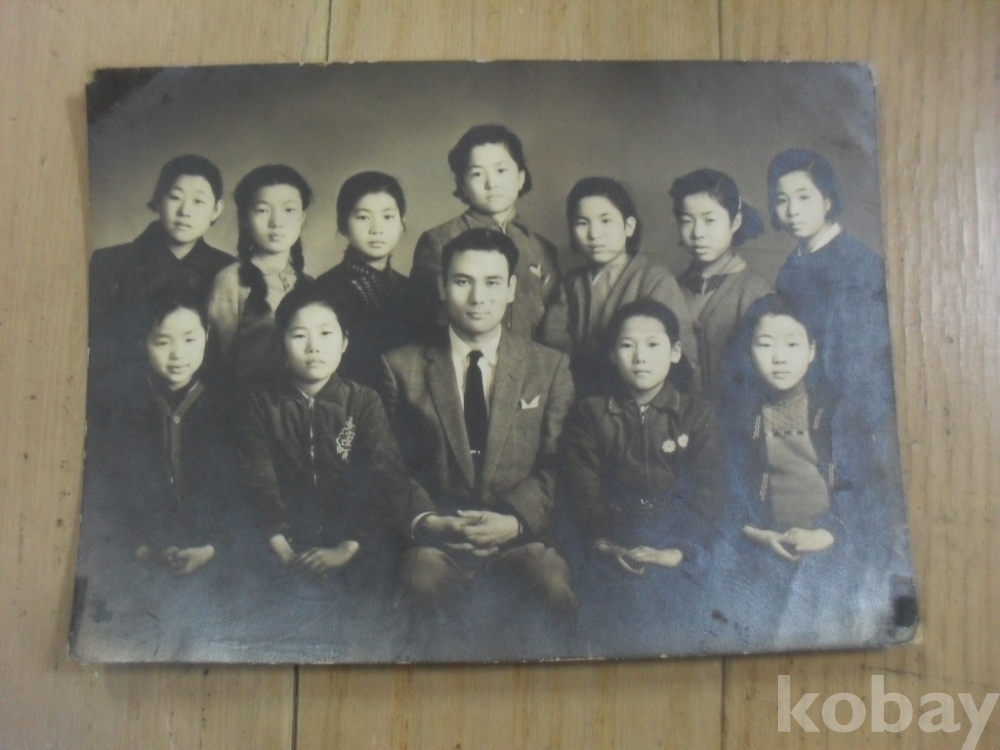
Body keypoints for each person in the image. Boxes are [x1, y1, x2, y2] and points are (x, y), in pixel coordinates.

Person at [378, 227, 578, 659]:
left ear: (511, 290)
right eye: (462, 281)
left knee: (549, 579)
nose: (477, 297)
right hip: (435, 540)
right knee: (416, 578)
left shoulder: (549, 367)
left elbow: (559, 462)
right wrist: (429, 522)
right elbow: (389, 467)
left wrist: (516, 520)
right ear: (441, 287)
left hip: (519, 538)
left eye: (492, 283)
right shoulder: (400, 367)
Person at [712, 294, 893, 649]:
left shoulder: (838, 412)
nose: (779, 358)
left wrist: (829, 534)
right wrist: (757, 533)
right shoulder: (736, 416)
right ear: (748, 352)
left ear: (812, 350)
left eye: (792, 344)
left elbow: (868, 493)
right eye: (765, 344)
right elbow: (724, 490)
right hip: (761, 541)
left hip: (832, 544)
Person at [558, 298, 727, 654]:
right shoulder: (590, 414)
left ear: (675, 352)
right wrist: (604, 545)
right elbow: (580, 494)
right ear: (611, 354)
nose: (640, 357)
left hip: (679, 546)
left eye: (653, 345)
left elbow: (710, 494)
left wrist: (678, 552)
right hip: (613, 545)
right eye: (627, 346)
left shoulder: (697, 414)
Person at [239, 282, 409, 585]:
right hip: (280, 553)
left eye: (326, 333)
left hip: (354, 553)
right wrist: (284, 551)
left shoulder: (364, 402)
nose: (313, 347)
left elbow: (386, 481)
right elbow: (257, 482)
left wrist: (347, 548)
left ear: (344, 342)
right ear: (281, 343)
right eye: (299, 335)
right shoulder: (261, 403)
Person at [88, 154, 233, 404]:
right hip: (123, 404)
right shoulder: (109, 264)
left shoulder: (230, 271)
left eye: (198, 201)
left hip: (209, 409)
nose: (185, 211)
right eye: (175, 197)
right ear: (158, 200)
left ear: (216, 209)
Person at [539, 176, 696, 397]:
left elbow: (681, 357)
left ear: (628, 226)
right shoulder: (572, 282)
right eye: (582, 223)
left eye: (606, 221)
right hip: (581, 397)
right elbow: (553, 344)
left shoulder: (654, 279)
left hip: (638, 398)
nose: (594, 234)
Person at [410, 124, 560, 339]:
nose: (491, 183)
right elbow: (426, 322)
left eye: (501, 171)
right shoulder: (438, 240)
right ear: (462, 184)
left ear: (521, 178)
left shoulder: (542, 248)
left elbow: (553, 330)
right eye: (477, 173)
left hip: (529, 358)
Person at [208, 164, 312, 391]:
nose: (276, 222)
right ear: (245, 219)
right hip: (247, 404)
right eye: (263, 210)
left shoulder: (309, 284)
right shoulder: (231, 281)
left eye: (289, 209)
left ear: (302, 217)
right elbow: (218, 363)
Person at [670, 168, 771, 399]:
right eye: (687, 221)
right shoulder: (670, 288)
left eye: (710, 220)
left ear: (735, 222)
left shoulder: (758, 293)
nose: (698, 233)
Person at [313, 171, 418, 389]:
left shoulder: (412, 289)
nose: (377, 229)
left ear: (401, 223)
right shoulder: (323, 291)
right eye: (363, 217)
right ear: (342, 224)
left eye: (388, 217)